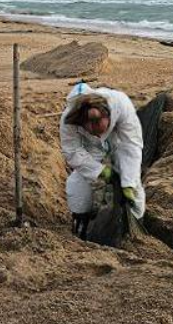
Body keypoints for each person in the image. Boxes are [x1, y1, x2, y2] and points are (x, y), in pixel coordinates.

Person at [60, 83, 145, 240]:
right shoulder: (69, 120)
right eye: (91, 127)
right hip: (90, 147)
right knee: (79, 184)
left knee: (134, 186)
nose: (96, 131)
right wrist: (100, 171)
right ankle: (80, 223)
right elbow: (72, 152)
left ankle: (134, 225)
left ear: (106, 113)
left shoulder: (120, 103)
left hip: (117, 138)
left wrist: (128, 182)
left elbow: (131, 145)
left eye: (99, 126)